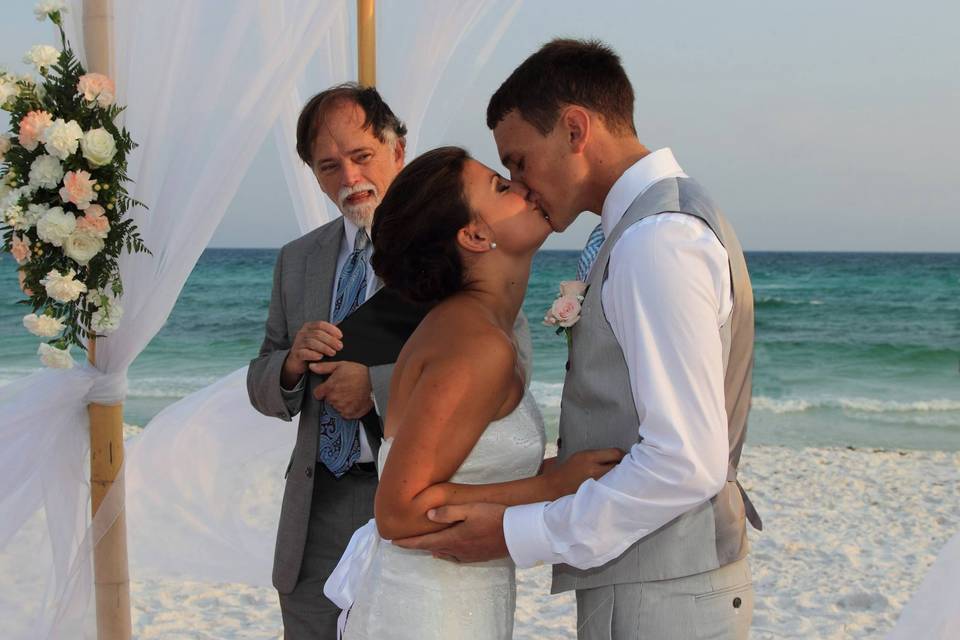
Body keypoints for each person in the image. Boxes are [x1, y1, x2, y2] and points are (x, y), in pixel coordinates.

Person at [396, 39, 763, 640]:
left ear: (573, 130)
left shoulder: (656, 241)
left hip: (663, 591)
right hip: (659, 579)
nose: (521, 184)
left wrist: (519, 531)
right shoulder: (657, 222)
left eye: (518, 161)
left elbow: (685, 462)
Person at [247, 84, 531, 639]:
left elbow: (507, 360)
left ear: (397, 149)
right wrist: (289, 366)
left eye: (361, 156)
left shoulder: (456, 242)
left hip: (418, 508)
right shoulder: (297, 260)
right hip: (316, 511)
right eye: (329, 166)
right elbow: (260, 380)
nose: (349, 178)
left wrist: (375, 387)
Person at [329, 146, 623, 640]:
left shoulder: (476, 329)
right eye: (502, 188)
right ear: (475, 234)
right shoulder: (475, 343)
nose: (525, 187)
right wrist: (549, 488)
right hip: (428, 612)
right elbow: (398, 511)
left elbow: (459, 467)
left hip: (453, 599)